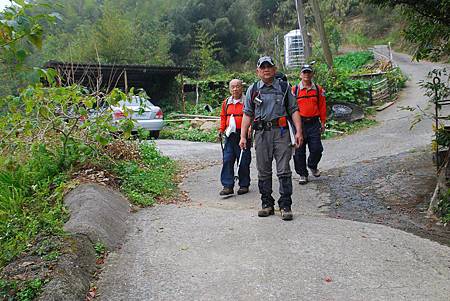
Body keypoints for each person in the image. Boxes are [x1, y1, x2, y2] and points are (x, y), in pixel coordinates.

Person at [239, 56, 303, 221]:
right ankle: (267, 204)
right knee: (263, 170)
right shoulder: (253, 90)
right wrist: (243, 136)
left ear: (274, 69)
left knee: (284, 170)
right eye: (263, 67)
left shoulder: (284, 87)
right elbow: (247, 114)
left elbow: (294, 109)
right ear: (258, 71)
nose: (266, 69)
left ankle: (285, 205)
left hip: (281, 132)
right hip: (261, 134)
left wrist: (298, 131)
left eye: (269, 67)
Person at [292, 63, 327, 185]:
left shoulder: (318, 89)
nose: (306, 75)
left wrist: (323, 122)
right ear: (300, 74)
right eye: (304, 72)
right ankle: (302, 174)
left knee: (317, 149)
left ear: (312, 74)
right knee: (299, 151)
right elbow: (291, 109)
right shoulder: (294, 90)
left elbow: (322, 106)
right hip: (299, 124)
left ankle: (312, 165)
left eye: (308, 72)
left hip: (313, 123)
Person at [219, 79, 251, 196]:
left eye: (237, 86)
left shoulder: (247, 101)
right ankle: (227, 186)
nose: (235, 89)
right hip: (230, 135)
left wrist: (250, 127)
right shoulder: (226, 102)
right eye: (232, 87)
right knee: (227, 159)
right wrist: (221, 130)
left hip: (243, 135)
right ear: (229, 88)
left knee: (243, 160)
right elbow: (223, 117)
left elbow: (252, 115)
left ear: (241, 87)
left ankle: (244, 185)